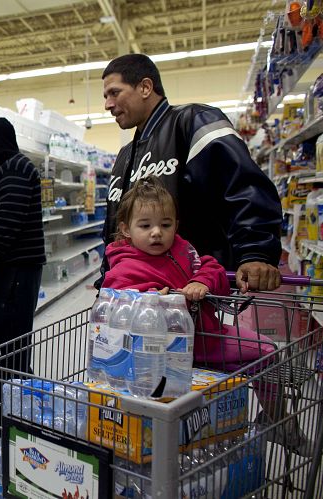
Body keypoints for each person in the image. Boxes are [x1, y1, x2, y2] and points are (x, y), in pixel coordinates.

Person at [102, 178, 312, 455]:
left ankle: (275, 419)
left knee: (267, 351)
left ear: (176, 225)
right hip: (165, 353)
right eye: (145, 226)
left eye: (165, 225)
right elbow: (119, 302)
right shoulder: (125, 267)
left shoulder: (182, 249)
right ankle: (274, 423)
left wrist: (202, 282)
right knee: (264, 352)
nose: (157, 233)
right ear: (126, 230)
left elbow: (212, 267)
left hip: (206, 335)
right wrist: (154, 298)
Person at [99, 53, 283, 294]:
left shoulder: (193, 122)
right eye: (105, 96)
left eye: (114, 93)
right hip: (137, 298)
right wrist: (107, 278)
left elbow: (243, 184)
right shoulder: (125, 155)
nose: (107, 105)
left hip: (192, 290)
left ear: (145, 87)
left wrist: (256, 251)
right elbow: (116, 227)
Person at [0, 117, 45, 450]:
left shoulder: (14, 169)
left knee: (4, 345)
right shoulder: (14, 167)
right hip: (15, 271)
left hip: (12, 272)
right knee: (10, 344)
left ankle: (4, 417)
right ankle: (14, 408)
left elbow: (8, 221)